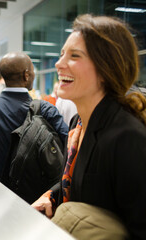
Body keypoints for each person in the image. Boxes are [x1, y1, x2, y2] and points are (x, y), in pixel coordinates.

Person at [31, 14, 146, 239]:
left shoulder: (128, 137)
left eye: (74, 56)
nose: (59, 63)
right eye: (62, 54)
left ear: (106, 69)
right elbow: (77, 181)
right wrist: (51, 196)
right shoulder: (78, 124)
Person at [0, 52, 68, 181]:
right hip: (30, 195)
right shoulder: (45, 110)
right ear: (26, 75)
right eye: (33, 71)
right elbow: (68, 145)